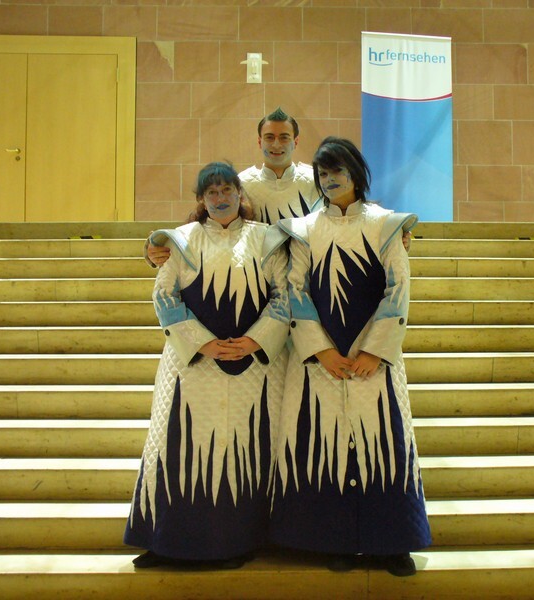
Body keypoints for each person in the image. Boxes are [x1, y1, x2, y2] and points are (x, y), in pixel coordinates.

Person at [270, 137, 431, 577]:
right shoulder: (304, 229)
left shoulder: (386, 224)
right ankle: (333, 541)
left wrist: (376, 351)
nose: (330, 179)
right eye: (322, 173)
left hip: (373, 360)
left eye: (338, 170)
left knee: (386, 442)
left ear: (357, 172)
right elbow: (295, 290)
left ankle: (392, 545)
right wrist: (320, 350)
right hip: (321, 362)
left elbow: (399, 288)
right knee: (324, 443)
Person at [124, 162, 290, 569]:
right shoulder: (182, 240)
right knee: (176, 445)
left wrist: (254, 340)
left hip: (253, 368)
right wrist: (202, 343)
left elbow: (285, 295)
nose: (220, 198)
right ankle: (166, 542)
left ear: (239, 193)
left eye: (226, 190)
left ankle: (238, 543)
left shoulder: (267, 239)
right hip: (191, 368)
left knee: (245, 450)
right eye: (211, 192)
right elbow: (165, 296)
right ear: (201, 199)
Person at [145, 107, 319, 268]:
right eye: (269, 137)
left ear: (296, 141)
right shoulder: (242, 183)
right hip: (258, 274)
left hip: (308, 273)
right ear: (259, 142)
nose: (276, 144)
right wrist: (157, 247)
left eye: (284, 137)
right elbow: (208, 226)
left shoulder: (315, 182)